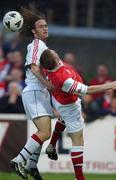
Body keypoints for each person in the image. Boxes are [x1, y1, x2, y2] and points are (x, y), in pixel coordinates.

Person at [40, 49, 116, 180]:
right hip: (69, 106)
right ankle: (79, 177)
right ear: (54, 60)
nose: (56, 53)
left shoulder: (49, 64)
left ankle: (52, 145)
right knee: (78, 140)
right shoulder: (64, 80)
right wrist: (110, 85)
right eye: (55, 54)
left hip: (59, 98)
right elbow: (87, 90)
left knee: (63, 119)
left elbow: (43, 60)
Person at [10, 5, 54, 180]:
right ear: (34, 32)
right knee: (45, 133)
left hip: (39, 92)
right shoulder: (36, 44)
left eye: (46, 25)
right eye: (41, 26)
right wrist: (46, 84)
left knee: (44, 132)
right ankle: (18, 160)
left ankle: (32, 165)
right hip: (35, 90)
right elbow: (34, 67)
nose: (45, 28)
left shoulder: (42, 45)